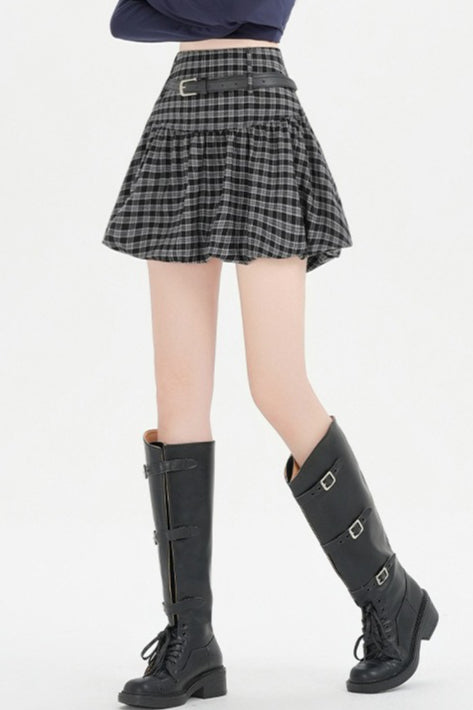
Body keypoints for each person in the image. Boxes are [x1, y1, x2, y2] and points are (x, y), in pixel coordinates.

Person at [101, 2, 439, 707]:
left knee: (277, 385)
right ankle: (191, 641)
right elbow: (125, 20)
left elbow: (230, 7)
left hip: (260, 113)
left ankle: (391, 595)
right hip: (181, 115)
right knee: (178, 396)